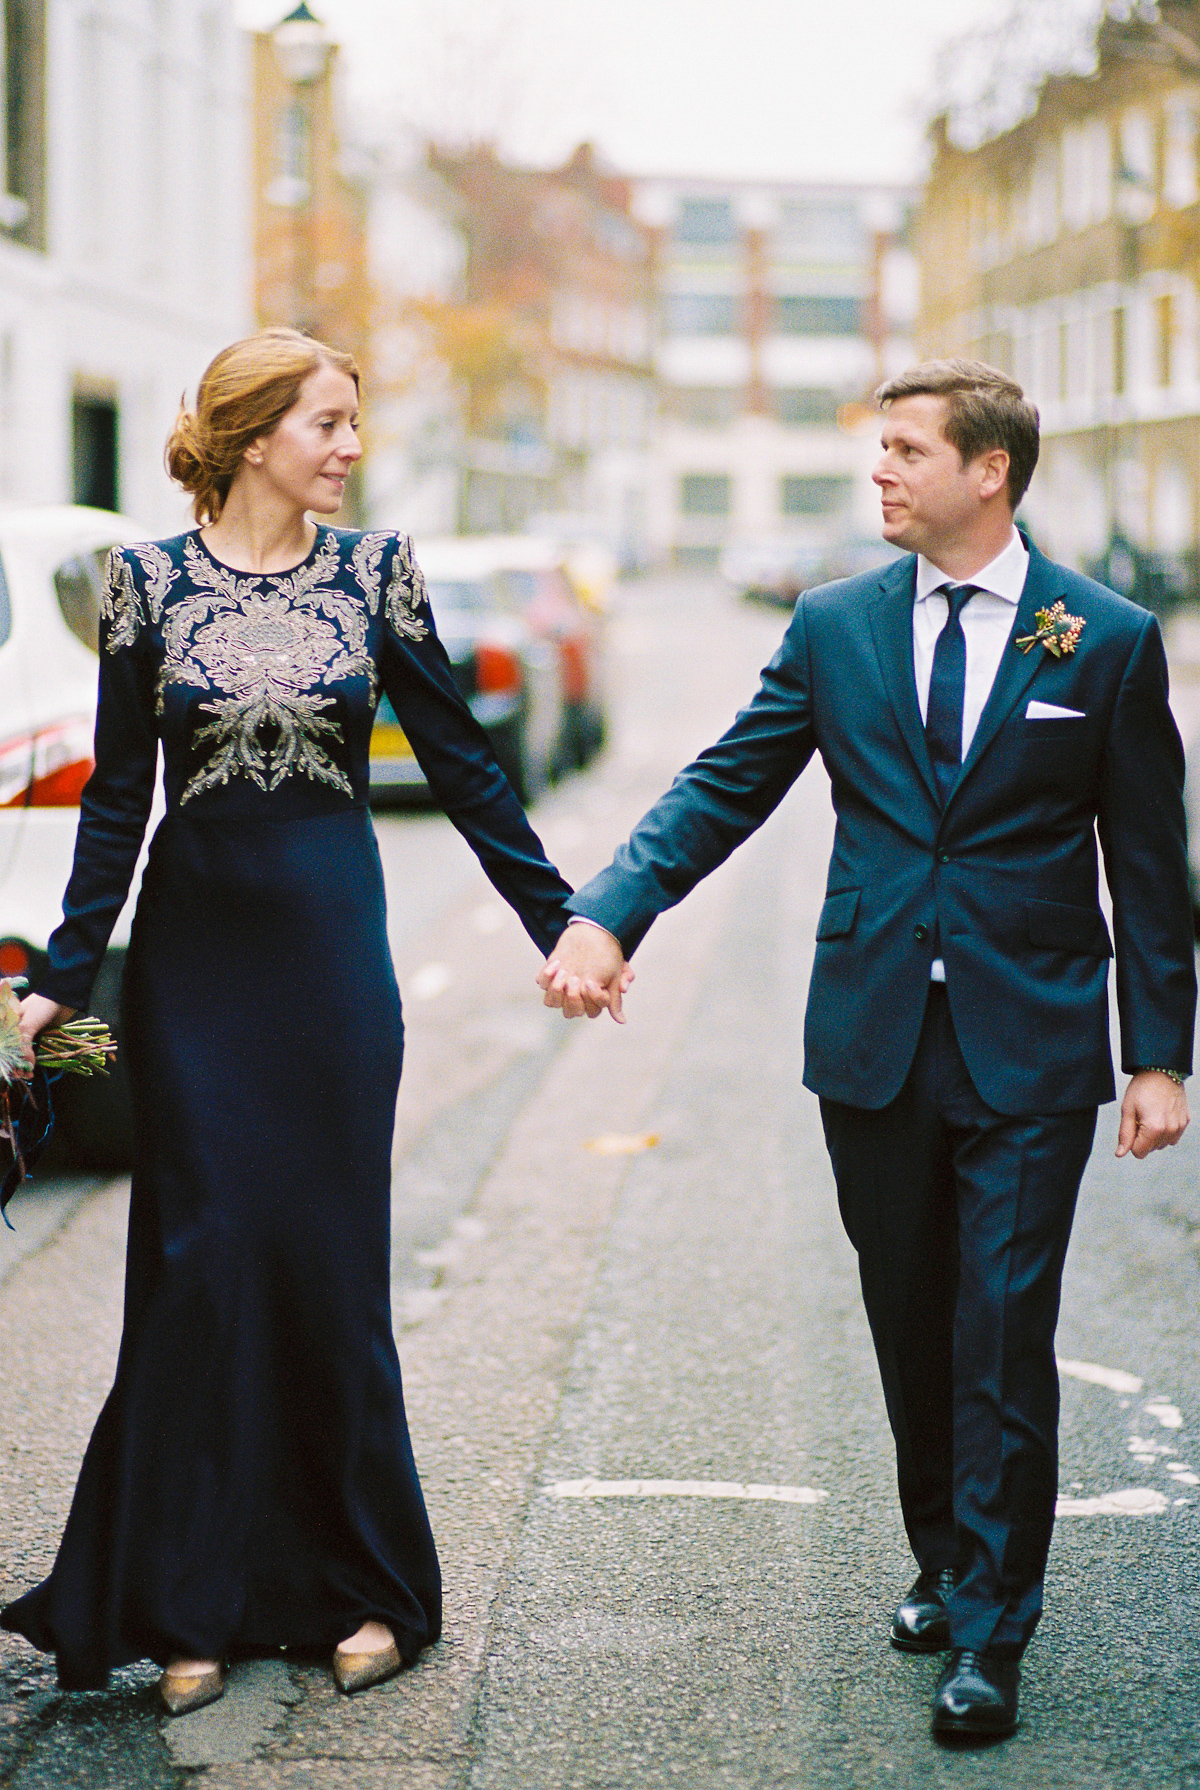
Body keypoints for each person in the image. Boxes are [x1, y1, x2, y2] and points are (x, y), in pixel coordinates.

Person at [537, 359, 1195, 1741]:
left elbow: (1149, 863)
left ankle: (992, 1629)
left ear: (988, 471)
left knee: (1003, 1334)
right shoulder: (835, 625)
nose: (879, 472)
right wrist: (608, 912)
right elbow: (725, 780)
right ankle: (946, 1553)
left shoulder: (1108, 637)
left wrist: (1159, 1054)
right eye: (877, 449)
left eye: (904, 449)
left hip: (1031, 1041)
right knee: (911, 1316)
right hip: (875, 1033)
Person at [4, 327, 576, 1715]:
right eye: (327, 422)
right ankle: (188, 1599)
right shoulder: (143, 587)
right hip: (199, 971)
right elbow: (114, 803)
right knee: (200, 1269)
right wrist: (61, 982)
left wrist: (563, 923)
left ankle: (369, 1587)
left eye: (352, 423)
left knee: (327, 1268)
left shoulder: (378, 577)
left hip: (331, 972)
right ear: (257, 435)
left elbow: (465, 763)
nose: (349, 445)